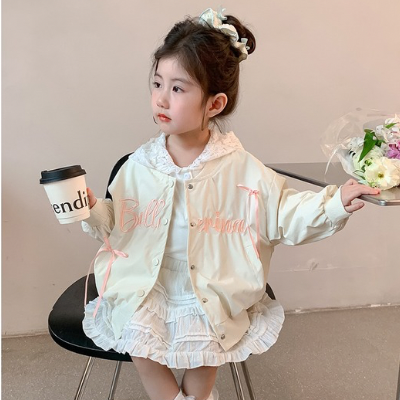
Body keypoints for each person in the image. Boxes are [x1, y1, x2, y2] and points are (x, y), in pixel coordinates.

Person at [81, 8, 380, 400]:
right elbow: (119, 224)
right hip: (148, 284)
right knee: (139, 337)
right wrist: (90, 208)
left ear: (215, 104)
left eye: (178, 89)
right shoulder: (140, 164)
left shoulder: (242, 169)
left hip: (214, 285)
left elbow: (283, 214)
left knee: (209, 340)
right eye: (157, 83)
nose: (161, 98)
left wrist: (335, 202)